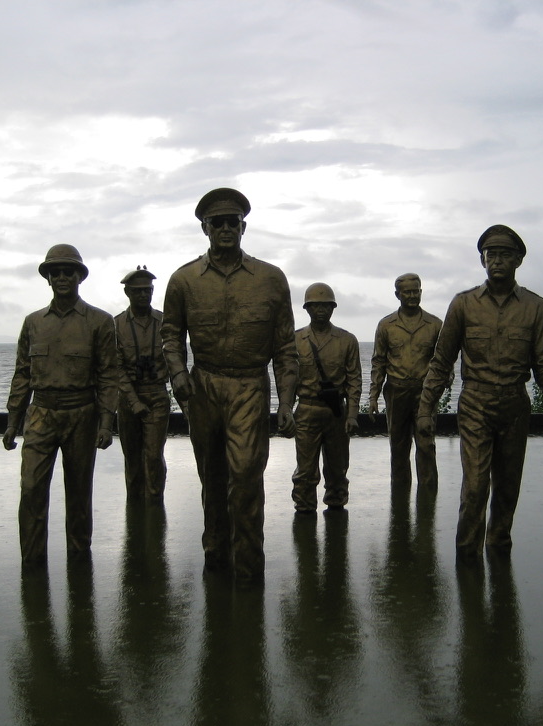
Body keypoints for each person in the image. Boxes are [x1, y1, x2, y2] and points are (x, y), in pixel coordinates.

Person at [161, 188, 298, 580]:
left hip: (249, 385)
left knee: (246, 476)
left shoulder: (271, 279)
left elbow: (286, 348)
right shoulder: (183, 280)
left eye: (232, 222)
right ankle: (216, 560)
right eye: (216, 223)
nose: (225, 228)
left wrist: (286, 402)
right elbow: (170, 334)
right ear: (204, 229)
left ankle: (249, 568)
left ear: (244, 226)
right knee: (213, 477)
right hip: (204, 386)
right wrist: (179, 374)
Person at [417, 225, 543, 559]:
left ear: (518, 260)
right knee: (475, 486)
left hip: (515, 404)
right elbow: (441, 361)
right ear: (482, 260)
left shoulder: (536, 308)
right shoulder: (463, 304)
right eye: (491, 255)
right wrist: (425, 409)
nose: (497, 261)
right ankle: (467, 558)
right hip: (475, 403)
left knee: (507, 487)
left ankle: (499, 550)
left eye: (504, 254)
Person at [3, 244, 119, 567]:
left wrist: (106, 422)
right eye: (56, 272)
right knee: (30, 490)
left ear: (79, 277)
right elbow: (22, 375)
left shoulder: (100, 322)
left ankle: (79, 564)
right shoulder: (33, 323)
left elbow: (109, 375)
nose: (63, 277)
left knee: (79, 497)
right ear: (49, 278)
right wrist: (13, 421)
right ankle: (32, 564)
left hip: (82, 414)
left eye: (69, 271)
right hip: (40, 415)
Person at [292, 283, 362, 514]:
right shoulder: (295, 340)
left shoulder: (347, 340)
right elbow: (287, 378)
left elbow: (354, 380)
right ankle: (304, 509)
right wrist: (285, 408)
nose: (321, 310)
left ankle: (336, 507)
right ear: (307, 308)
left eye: (325, 305)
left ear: (333, 308)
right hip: (307, 410)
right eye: (315, 305)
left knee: (337, 468)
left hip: (336, 413)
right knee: (305, 470)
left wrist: (352, 414)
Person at [368, 273, 443, 489]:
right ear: (397, 295)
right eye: (407, 292)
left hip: (424, 393)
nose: (412, 295)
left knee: (426, 444)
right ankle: (400, 498)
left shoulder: (435, 324)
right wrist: (373, 396)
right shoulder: (386, 325)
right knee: (398, 447)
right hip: (396, 392)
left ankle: (428, 499)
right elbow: (378, 362)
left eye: (416, 291)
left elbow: (443, 360)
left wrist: (445, 379)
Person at [114, 266, 170, 511]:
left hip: (157, 394)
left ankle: (155, 504)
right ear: (127, 293)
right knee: (132, 458)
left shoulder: (165, 322)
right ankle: (134, 506)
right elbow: (115, 368)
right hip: (128, 397)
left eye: (147, 290)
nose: (142, 295)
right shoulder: (116, 325)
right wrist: (133, 401)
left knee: (153, 455)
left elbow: (177, 356)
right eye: (137, 291)